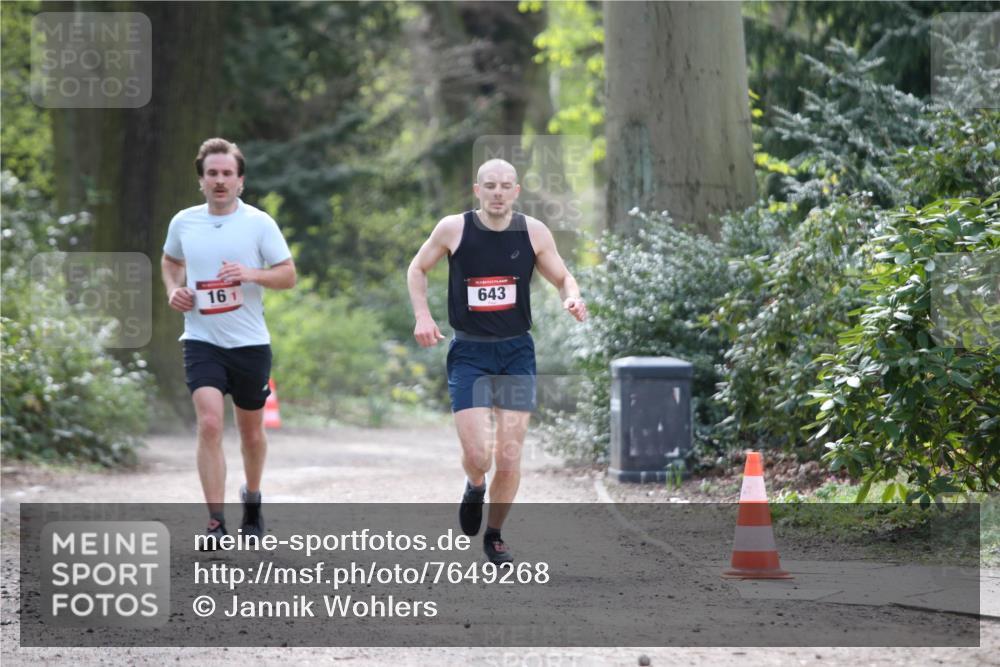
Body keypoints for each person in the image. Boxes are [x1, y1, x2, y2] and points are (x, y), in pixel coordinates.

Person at [407, 158, 587, 565]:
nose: (498, 193)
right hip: (469, 352)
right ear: (477, 190)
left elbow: (562, 277)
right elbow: (418, 268)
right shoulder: (453, 229)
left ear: (517, 191)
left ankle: (495, 535)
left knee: (508, 455)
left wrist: (571, 297)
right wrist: (422, 315)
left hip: (515, 352)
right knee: (479, 456)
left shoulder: (533, 232)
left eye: (506, 186)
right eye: (490, 186)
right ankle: (474, 485)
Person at [161, 138, 296, 548]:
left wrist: (251, 275)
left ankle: (252, 499)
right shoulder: (184, 222)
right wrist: (174, 290)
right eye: (212, 174)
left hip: (250, 343)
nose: (219, 181)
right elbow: (171, 261)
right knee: (210, 423)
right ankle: (216, 521)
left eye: (227, 174)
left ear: (240, 181)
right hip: (201, 339)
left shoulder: (258, 223)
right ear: (201, 181)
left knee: (251, 434)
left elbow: (287, 275)